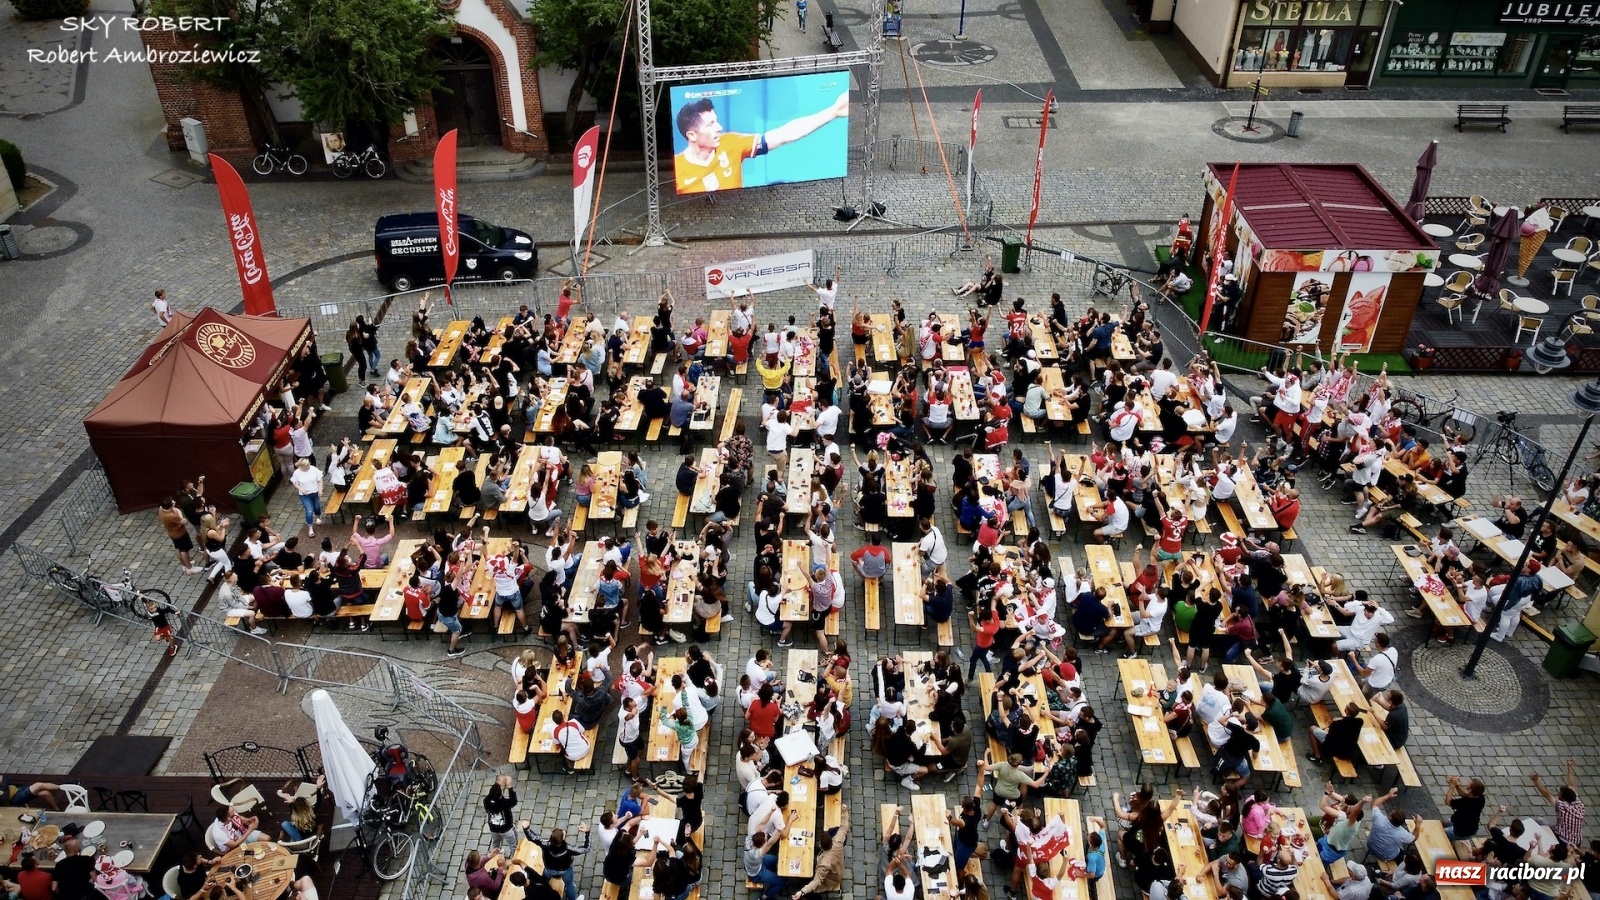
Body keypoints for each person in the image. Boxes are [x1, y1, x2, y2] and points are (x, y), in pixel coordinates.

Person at [672, 91, 849, 194]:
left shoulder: (730, 143)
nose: (719, 127)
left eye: (716, 121)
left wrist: (832, 112)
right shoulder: (678, 168)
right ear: (692, 135)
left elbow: (784, 134)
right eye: (710, 124)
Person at [791, 807, 848, 899]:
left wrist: (802, 892)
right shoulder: (837, 841)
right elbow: (844, 828)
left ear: (821, 845)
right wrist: (844, 812)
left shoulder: (824, 863)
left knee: (801, 884)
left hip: (830, 880)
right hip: (837, 867)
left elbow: (816, 881)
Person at [1531, 757, 1586, 848]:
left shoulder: (1562, 806)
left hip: (1563, 840)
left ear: (1563, 799)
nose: (1558, 795)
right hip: (1577, 841)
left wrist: (1536, 781)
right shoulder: (1578, 803)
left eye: (1559, 795)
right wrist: (1569, 767)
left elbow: (1547, 795)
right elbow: (1571, 785)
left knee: (1539, 821)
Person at [525, 824, 590, 900]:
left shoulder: (545, 844)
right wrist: (587, 832)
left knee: (543, 882)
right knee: (569, 886)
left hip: (549, 870)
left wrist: (526, 828)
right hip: (565, 871)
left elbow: (533, 838)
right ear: (562, 839)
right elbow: (586, 849)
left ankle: (545, 892)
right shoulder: (568, 849)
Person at [483, 774, 519, 857]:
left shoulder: (486, 801)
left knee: (496, 843)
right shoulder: (504, 803)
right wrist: (509, 786)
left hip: (493, 828)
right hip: (506, 829)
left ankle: (496, 856)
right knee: (513, 845)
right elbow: (513, 801)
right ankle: (514, 858)